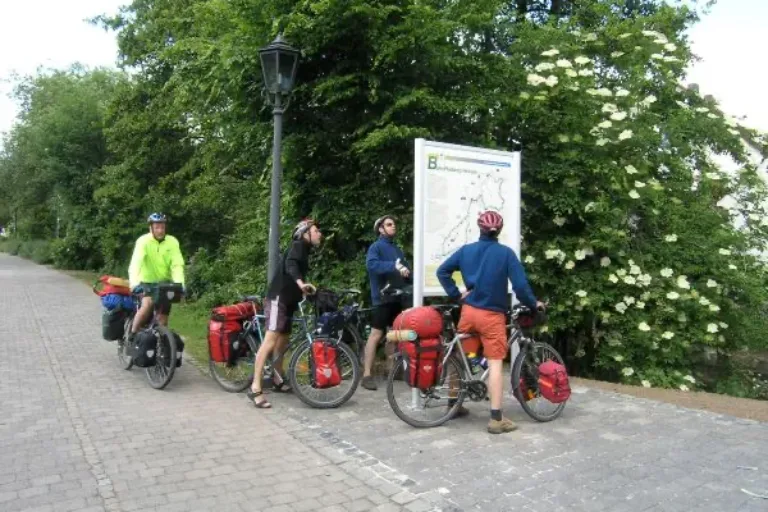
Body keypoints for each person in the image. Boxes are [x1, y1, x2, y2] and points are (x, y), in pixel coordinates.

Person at [436, 210, 544, 434]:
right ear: (499, 230)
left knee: (459, 356)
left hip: (469, 312)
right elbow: (521, 287)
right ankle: (496, 418)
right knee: (495, 362)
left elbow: (442, 271)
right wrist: (534, 304)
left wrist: (456, 295)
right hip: (492, 316)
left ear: (480, 228)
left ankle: (453, 403)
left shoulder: (466, 251)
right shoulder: (505, 254)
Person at [247, 218, 323, 408]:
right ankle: (255, 386)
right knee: (270, 341)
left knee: (283, 341)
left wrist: (306, 289)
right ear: (305, 233)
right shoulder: (298, 245)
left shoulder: (305, 250)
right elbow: (291, 266)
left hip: (289, 302)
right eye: (316, 230)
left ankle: (277, 378)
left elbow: (296, 269)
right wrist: (300, 283)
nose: (319, 233)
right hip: (278, 299)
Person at [361, 215, 410, 391]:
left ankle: (392, 370)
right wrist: (393, 266)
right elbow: (372, 266)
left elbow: (405, 268)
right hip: (382, 299)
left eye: (394, 224)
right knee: (375, 335)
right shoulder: (375, 247)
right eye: (389, 224)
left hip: (398, 297)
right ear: (380, 229)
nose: (393, 227)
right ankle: (366, 374)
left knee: (394, 335)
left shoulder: (397, 249)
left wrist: (407, 273)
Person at [127, 213, 185, 338]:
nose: (160, 230)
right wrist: (135, 283)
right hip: (145, 283)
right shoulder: (143, 241)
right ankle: (132, 335)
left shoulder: (172, 242)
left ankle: (162, 346)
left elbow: (177, 265)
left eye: (162, 227)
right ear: (151, 228)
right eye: (157, 227)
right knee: (147, 305)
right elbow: (136, 263)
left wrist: (180, 284)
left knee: (163, 317)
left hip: (164, 283)